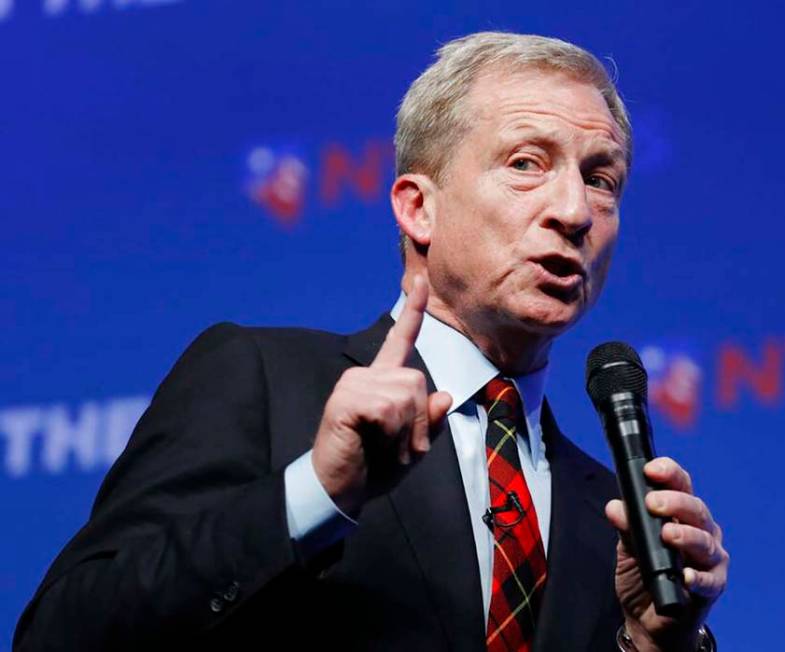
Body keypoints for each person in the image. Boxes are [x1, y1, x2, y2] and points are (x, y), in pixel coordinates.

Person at [15, 32, 728, 651]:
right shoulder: (265, 382)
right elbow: (66, 632)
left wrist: (652, 644)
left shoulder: (613, 516)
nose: (575, 210)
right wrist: (315, 491)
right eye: (526, 163)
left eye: (601, 178)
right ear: (418, 207)